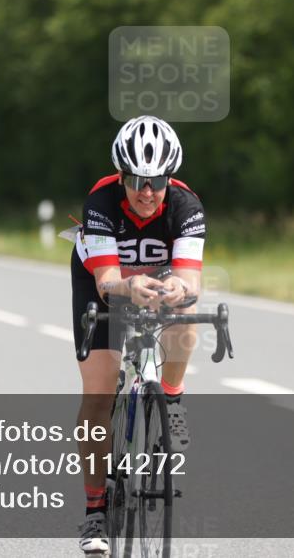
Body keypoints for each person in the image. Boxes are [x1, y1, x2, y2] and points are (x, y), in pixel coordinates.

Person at [71, 116, 205, 554]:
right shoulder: (102, 201)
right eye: (136, 181)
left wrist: (176, 291)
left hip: (159, 281)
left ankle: (171, 396)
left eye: (157, 181)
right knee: (98, 394)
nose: (147, 192)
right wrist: (129, 287)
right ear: (122, 176)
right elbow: (108, 282)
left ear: (170, 177)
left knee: (188, 317)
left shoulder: (187, 206)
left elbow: (191, 281)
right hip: (105, 284)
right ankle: (95, 513)